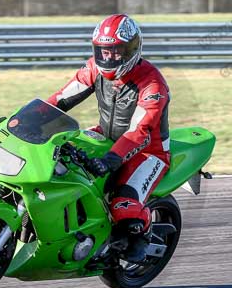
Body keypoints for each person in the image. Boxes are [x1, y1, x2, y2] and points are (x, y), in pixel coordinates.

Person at [45, 14, 170, 263]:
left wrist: (110, 160)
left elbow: (138, 130)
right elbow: (61, 99)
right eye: (103, 51)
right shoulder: (94, 68)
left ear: (132, 49)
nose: (109, 57)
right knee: (58, 162)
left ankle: (140, 237)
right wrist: (21, 120)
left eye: (116, 51)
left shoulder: (152, 84)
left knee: (123, 204)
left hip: (148, 151)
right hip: (105, 136)